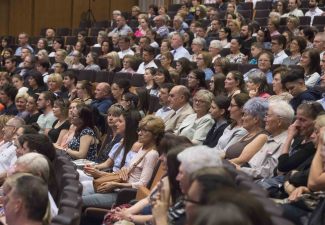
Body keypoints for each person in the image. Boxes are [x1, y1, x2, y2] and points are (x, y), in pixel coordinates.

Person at [82, 115, 164, 208]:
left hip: (125, 196)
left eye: (145, 131)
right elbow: (128, 170)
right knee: (79, 191)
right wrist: (124, 170)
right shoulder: (142, 148)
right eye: (140, 130)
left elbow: (143, 185)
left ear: (155, 135)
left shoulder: (152, 154)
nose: (140, 133)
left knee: (80, 200)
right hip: (119, 188)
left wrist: (115, 184)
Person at [238, 100, 294, 179]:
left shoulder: (284, 143)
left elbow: (269, 172)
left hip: (253, 182)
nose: (265, 119)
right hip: (246, 174)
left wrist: (240, 170)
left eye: (268, 116)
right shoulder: (271, 137)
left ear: (279, 121)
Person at [224, 98, 268, 165]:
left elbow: (242, 160)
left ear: (255, 119)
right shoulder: (248, 134)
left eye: (245, 115)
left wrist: (218, 164)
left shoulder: (262, 136)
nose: (242, 118)